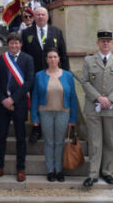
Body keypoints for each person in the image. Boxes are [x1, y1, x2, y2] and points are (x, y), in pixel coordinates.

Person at [81, 30, 113, 188]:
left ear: (112, 43)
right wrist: (99, 98)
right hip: (94, 107)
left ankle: (106, 171)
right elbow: (85, 82)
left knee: (109, 141)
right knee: (95, 142)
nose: (105, 43)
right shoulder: (89, 60)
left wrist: (109, 100)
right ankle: (93, 174)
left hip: (112, 108)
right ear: (98, 43)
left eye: (108, 41)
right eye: (102, 41)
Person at [21, 7, 69, 143]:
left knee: (52, 101)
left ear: (47, 17)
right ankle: (36, 129)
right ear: (34, 17)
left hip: (53, 74)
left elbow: (63, 55)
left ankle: (53, 128)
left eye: (43, 14)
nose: (40, 17)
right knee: (36, 102)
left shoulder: (57, 32)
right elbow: (23, 56)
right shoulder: (26, 33)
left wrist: (66, 75)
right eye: (38, 15)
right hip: (34, 74)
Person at [0, 32, 34, 182]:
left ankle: (21, 168)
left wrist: (13, 99)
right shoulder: (0, 60)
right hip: (3, 104)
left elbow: (29, 82)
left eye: (17, 43)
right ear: (8, 44)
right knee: (1, 137)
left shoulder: (28, 59)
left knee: (20, 137)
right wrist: (3, 99)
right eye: (11, 43)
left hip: (20, 104)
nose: (14, 45)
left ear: (20, 44)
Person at [30, 48, 79, 182]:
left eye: (55, 57)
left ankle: (59, 170)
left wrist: (73, 118)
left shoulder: (68, 75)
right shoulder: (39, 75)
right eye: (50, 57)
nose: (52, 59)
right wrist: (34, 116)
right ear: (46, 60)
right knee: (49, 142)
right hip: (45, 112)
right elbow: (34, 96)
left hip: (63, 113)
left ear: (59, 59)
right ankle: (50, 170)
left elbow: (73, 97)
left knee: (59, 142)